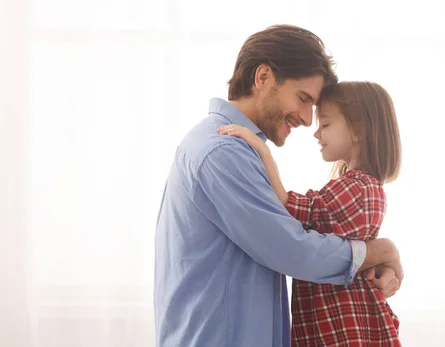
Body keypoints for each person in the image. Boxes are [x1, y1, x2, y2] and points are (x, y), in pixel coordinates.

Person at [154, 25, 403, 347]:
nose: (306, 119)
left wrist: (375, 254)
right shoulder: (223, 151)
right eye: (303, 99)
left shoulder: (230, 146)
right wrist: (378, 250)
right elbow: (291, 249)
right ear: (263, 77)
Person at [218, 81, 402, 346]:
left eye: (325, 124)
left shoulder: (359, 188)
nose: (317, 134)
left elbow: (290, 208)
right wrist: (386, 251)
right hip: (333, 326)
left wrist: (261, 149)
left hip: (346, 329)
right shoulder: (355, 185)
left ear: (358, 130)